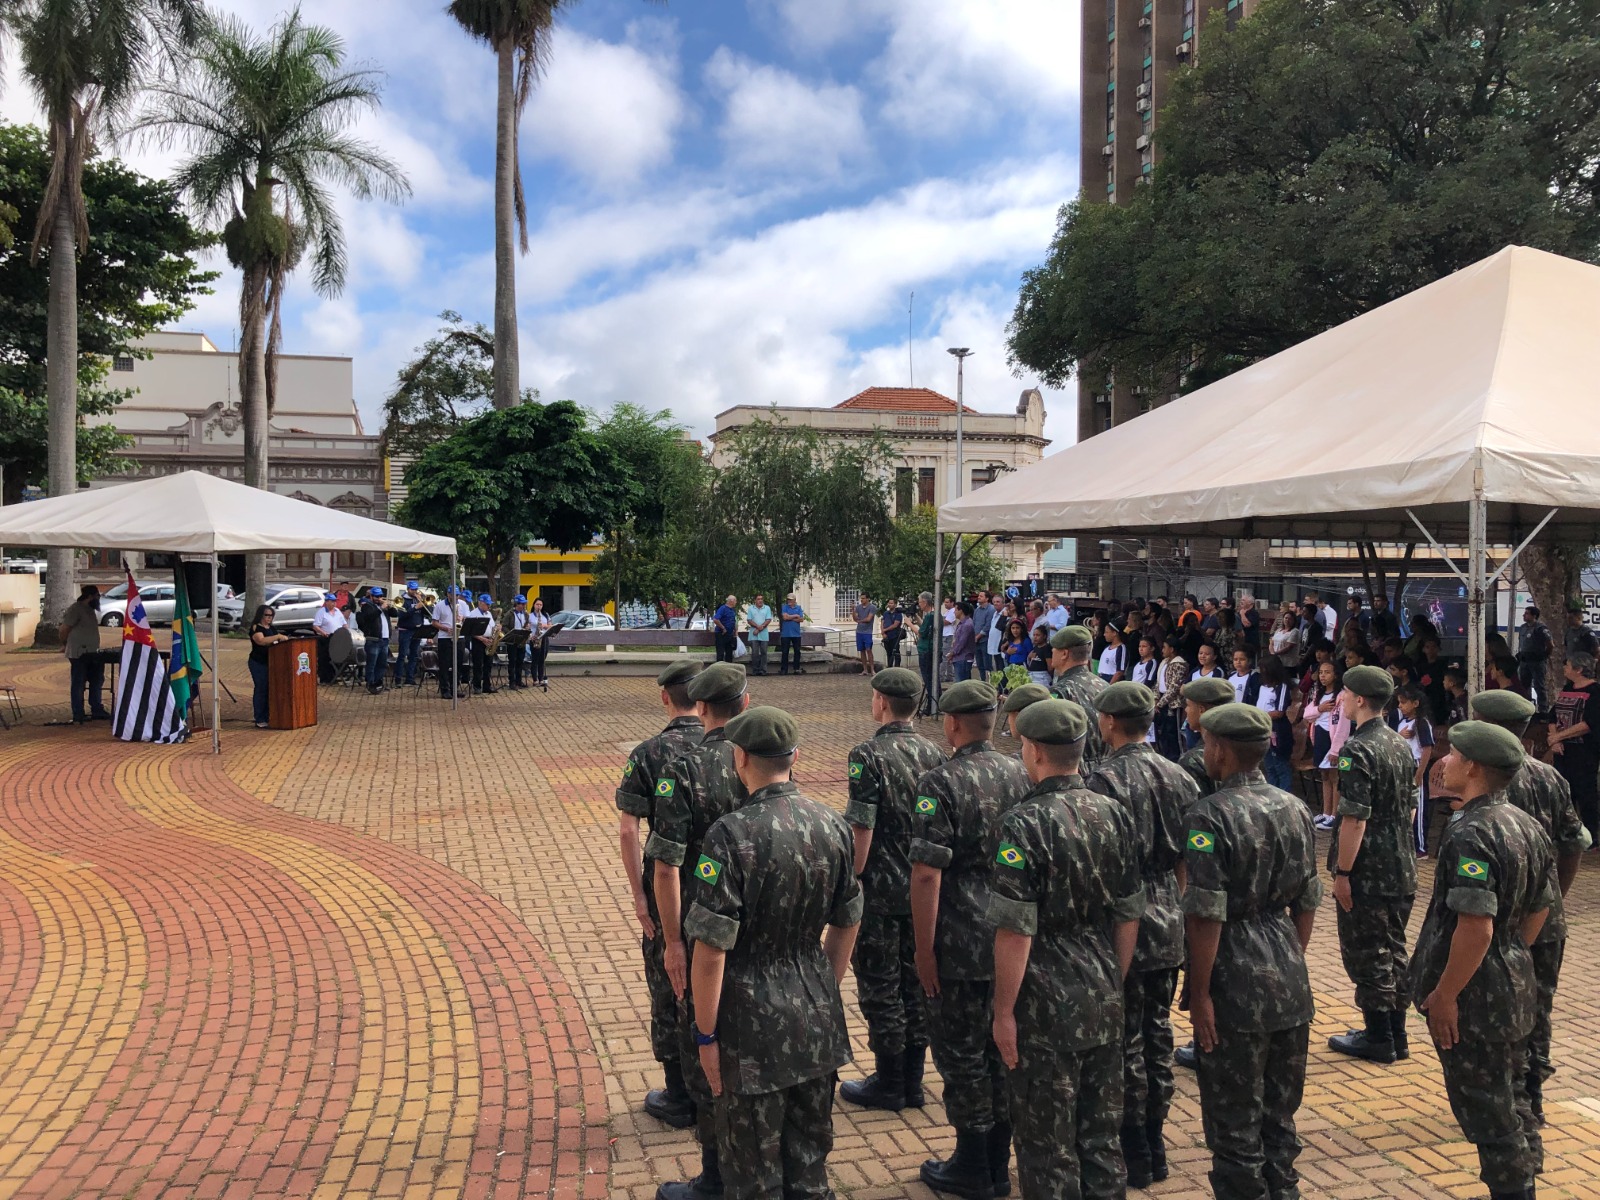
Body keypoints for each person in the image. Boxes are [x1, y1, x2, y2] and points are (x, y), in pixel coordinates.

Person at [683, 706, 862, 1200]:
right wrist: (823, 984)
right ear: (795, 757)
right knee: (810, 1165)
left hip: (750, 1025)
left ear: (739, 758)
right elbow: (848, 922)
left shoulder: (730, 835)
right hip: (817, 1012)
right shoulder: (834, 825)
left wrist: (705, 1033)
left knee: (752, 1172)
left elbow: (712, 951)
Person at [990, 699, 1143, 1200]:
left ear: (1032, 751)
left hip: (1043, 997)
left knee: (1047, 1145)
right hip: (1101, 984)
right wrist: (1113, 981)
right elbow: (1127, 912)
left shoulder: (1022, 824)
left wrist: (1004, 1011)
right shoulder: (1115, 813)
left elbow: (1016, 930)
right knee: (1101, 1137)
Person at [1408, 721, 1555, 1200]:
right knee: (1512, 1100)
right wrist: (1511, 954)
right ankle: (1523, 1182)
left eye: (1452, 755)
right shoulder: (1525, 823)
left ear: (1472, 767)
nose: (1443, 761)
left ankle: (1515, 1191)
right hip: (1512, 980)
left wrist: (1447, 994)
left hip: (1477, 994)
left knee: (1490, 1115)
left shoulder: (1471, 833)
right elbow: (1540, 907)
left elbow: (1475, 926)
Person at [1185, 703, 1321, 1200]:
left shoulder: (1208, 816)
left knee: (1234, 1122)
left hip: (1233, 976)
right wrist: (1291, 957)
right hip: (1287, 969)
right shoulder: (1295, 807)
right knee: (1279, 1115)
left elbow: (1205, 915)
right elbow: (1308, 897)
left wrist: (1198, 992)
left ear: (1219, 750)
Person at [908, 679, 1031, 1196]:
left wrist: (922, 949)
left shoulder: (940, 783)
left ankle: (972, 1165)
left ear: (953, 724)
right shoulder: (1023, 773)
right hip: (1012, 933)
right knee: (1001, 1050)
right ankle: (998, 1163)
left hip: (959, 937)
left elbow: (927, 875)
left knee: (960, 1055)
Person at [1086, 682, 1199, 1188]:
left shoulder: (1102, 780)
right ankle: (1154, 1146)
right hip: (1167, 915)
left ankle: (1133, 1146)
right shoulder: (1180, 775)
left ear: (1108, 722)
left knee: (1123, 1040)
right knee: (1156, 1033)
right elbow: (1184, 861)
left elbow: (1100, 865)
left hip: (1121, 919)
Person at [649, 663, 750, 1197]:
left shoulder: (683, 771)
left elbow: (665, 867)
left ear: (700, 707)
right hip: (756, 928)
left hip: (700, 926)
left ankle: (714, 1176)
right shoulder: (763, 758)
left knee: (703, 1044)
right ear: (746, 701)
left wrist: (669, 940)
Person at [1471, 689, 1588, 1130]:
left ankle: (1507, 1099)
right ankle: (1532, 1095)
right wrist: (1556, 893)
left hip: (1496, 920)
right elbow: (1575, 844)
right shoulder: (1550, 777)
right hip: (1547, 916)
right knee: (1538, 1006)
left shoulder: (1486, 778)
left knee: (1497, 1010)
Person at [839, 668, 948, 1114]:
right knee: (916, 984)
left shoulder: (867, 755)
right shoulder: (935, 753)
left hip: (881, 893)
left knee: (881, 987)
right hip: (925, 892)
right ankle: (913, 1080)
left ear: (881, 701)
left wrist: (851, 877)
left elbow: (861, 827)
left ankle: (890, 1081)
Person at [614, 662, 706, 1134]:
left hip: (668, 886)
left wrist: (639, 894)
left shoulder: (648, 753)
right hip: (720, 888)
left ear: (665, 698)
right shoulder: (731, 750)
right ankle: (716, 1084)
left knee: (669, 985)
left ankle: (679, 1094)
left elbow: (630, 830)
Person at [1327, 665, 1419, 1066]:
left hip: (1369, 868)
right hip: (1401, 863)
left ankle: (1379, 1037)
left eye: (1346, 693)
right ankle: (1395, 1035)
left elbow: (1354, 818)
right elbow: (1413, 806)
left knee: (1367, 952)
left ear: (1360, 699)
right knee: (1394, 948)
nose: (1341, 699)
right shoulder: (1399, 743)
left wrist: (1344, 872)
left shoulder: (1358, 749)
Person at [1547, 650, 1600, 845]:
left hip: (1584, 753)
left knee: (1585, 793)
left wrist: (1558, 736)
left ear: (1579, 669)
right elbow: (1553, 715)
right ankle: (1565, 833)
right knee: (1564, 793)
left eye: (1567, 665)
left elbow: (1589, 724)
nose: (1564, 668)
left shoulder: (1595, 692)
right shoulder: (1568, 687)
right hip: (1562, 752)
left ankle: (1591, 836)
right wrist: (1555, 739)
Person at [1046, 625, 1109, 769]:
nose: (1052, 651)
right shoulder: (1104, 685)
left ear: (1064, 654)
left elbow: (1052, 734)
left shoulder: (1059, 691)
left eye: (1054, 648)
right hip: (1107, 768)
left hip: (1076, 769)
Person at [1177, 677, 1236, 800]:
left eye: (1188, 705)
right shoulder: (1241, 747)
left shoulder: (1193, 761)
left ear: (1201, 710)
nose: (1186, 710)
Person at [1396, 686, 1438, 855]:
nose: (1400, 706)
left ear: (1415, 703)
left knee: (1419, 807)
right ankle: (1407, 841)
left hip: (1417, 766)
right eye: (1399, 702)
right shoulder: (1403, 722)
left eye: (1404, 703)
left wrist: (1420, 774)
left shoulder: (1422, 722)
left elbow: (1427, 749)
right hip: (1404, 766)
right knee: (1406, 805)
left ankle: (1420, 847)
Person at [60, 583, 110, 724]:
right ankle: (78, 713)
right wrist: (65, 644)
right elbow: (64, 629)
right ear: (90, 596)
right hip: (79, 653)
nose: (98, 599)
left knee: (96, 681)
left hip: (92, 652)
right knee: (78, 683)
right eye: (97, 596)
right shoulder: (76, 609)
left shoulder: (90, 610)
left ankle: (97, 709)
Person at [1305, 660, 1343, 830]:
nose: (1323, 676)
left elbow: (1343, 725)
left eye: (1327, 672)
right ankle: (1326, 813)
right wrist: (1319, 708)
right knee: (1325, 776)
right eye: (1321, 672)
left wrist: (1336, 749)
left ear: (1336, 675)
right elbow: (1308, 715)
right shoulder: (1318, 694)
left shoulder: (1342, 696)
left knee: (1336, 777)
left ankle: (1335, 815)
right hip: (1320, 737)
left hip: (1334, 741)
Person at [1256, 656, 1298, 792]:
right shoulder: (1262, 686)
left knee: (1281, 767)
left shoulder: (1282, 687)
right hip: (1264, 729)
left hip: (1278, 731)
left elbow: (1279, 712)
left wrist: (1259, 714)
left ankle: (1284, 795)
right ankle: (1272, 794)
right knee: (1270, 767)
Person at [247, 604, 290, 729]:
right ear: (260, 615)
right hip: (258, 662)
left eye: (271, 616)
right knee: (261, 688)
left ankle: (269, 715)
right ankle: (259, 718)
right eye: (266, 615)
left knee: (270, 689)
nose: (269, 618)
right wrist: (277, 637)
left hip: (271, 662)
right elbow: (261, 640)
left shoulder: (272, 628)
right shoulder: (256, 627)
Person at [1155, 636, 1189, 761]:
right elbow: (1158, 683)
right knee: (1163, 733)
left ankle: (1177, 758)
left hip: (1173, 704)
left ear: (1172, 649)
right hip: (1162, 702)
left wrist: (1161, 703)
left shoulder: (1179, 664)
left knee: (1173, 733)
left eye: (1164, 647)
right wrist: (1155, 699)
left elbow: (1174, 687)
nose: (1162, 650)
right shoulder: (1163, 662)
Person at [355, 588, 392, 694]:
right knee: (372, 663)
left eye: (380, 596)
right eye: (376, 597)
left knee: (382, 663)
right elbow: (369, 617)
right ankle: (370, 684)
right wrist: (381, 608)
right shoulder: (367, 606)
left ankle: (378, 683)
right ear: (371, 597)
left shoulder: (382, 607)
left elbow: (394, 614)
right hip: (373, 640)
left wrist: (389, 607)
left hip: (384, 640)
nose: (379, 598)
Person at [393, 582, 424, 686]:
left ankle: (410, 678)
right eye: (412, 590)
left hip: (417, 630)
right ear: (408, 589)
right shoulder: (402, 599)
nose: (414, 592)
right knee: (402, 655)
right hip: (405, 630)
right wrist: (415, 608)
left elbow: (429, 612)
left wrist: (423, 603)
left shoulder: (419, 598)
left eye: (416, 589)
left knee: (414, 655)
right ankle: (398, 679)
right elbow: (402, 615)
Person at [431, 588, 459, 699]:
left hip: (458, 637)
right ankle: (445, 690)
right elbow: (434, 622)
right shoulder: (440, 605)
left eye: (457, 595)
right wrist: (446, 629)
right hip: (445, 638)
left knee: (457, 665)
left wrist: (462, 619)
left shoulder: (461, 604)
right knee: (445, 665)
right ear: (448, 594)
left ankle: (454, 689)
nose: (456, 597)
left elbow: (466, 618)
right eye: (453, 595)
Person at [469, 594, 499, 694]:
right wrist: (482, 639)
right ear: (481, 603)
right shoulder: (473, 614)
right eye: (487, 604)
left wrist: (496, 629)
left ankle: (487, 686)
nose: (489, 606)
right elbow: (471, 631)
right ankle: (477, 686)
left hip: (488, 641)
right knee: (478, 665)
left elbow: (492, 627)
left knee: (488, 665)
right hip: (478, 641)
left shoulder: (488, 614)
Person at [312, 592, 344, 684]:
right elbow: (315, 626)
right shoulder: (321, 612)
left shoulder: (338, 611)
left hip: (337, 637)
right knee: (325, 658)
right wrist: (323, 632)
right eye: (332, 601)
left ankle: (334, 676)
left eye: (335, 601)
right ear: (327, 602)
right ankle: (324, 678)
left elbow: (344, 623)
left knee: (335, 657)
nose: (334, 603)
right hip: (326, 637)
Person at [915, 592, 937, 715]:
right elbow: (924, 626)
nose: (919, 604)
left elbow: (922, 633)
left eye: (920, 602)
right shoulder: (932, 615)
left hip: (926, 650)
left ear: (925, 602)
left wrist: (908, 623)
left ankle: (931, 705)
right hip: (930, 650)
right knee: (932, 678)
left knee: (928, 678)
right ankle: (933, 704)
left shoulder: (931, 616)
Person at [505, 595, 532, 690]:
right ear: (517, 604)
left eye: (524, 603)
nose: (524, 605)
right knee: (512, 661)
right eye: (522, 604)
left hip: (521, 641)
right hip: (512, 641)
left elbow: (526, 624)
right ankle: (512, 682)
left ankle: (518, 681)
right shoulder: (510, 614)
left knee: (520, 662)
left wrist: (527, 628)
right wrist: (511, 633)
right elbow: (504, 626)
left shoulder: (525, 614)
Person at [947, 601, 977, 683]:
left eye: (956, 610)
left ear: (961, 611)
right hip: (959, 658)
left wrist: (952, 653)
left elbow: (961, 643)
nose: (954, 612)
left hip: (964, 658)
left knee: (962, 683)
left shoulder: (967, 624)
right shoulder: (961, 624)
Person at [778, 593, 807, 675]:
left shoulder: (799, 608)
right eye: (788, 599)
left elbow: (801, 619)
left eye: (791, 599)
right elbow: (785, 617)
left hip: (796, 634)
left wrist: (790, 617)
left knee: (797, 651)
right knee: (785, 652)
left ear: (794, 600)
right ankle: (784, 669)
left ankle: (796, 668)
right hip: (786, 634)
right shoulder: (784, 607)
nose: (789, 601)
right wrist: (795, 616)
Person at [1270, 609, 1303, 673]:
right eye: (1286, 618)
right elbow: (1271, 643)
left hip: (1288, 664)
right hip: (1277, 662)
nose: (1287, 620)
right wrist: (1272, 653)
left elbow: (1289, 647)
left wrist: (1275, 653)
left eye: (1290, 619)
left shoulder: (1295, 631)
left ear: (1293, 621)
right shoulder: (1278, 630)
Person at [855, 592, 880, 675]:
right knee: (862, 650)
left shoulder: (872, 607)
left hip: (867, 632)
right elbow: (855, 618)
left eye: (863, 598)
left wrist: (860, 620)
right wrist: (852, 611)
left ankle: (872, 669)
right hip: (859, 631)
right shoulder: (858, 607)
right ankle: (865, 669)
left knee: (868, 649)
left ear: (868, 598)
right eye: (861, 598)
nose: (862, 600)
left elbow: (869, 619)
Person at [529, 597, 552, 685]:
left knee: (542, 659)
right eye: (537, 604)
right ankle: (535, 679)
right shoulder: (530, 616)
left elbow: (550, 626)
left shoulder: (545, 614)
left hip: (544, 638)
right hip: (535, 639)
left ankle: (541, 678)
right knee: (535, 659)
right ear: (534, 605)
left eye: (541, 605)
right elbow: (528, 627)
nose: (539, 606)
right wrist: (531, 636)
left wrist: (544, 625)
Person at [973, 591, 996, 678]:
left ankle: (989, 683)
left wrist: (978, 636)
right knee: (979, 664)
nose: (979, 597)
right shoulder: (977, 610)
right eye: (979, 596)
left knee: (987, 664)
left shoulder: (991, 609)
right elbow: (974, 623)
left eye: (981, 596)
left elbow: (988, 625)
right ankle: (982, 681)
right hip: (976, 641)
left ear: (987, 598)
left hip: (985, 640)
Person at [712, 595, 739, 664]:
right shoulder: (722, 608)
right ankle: (719, 670)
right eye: (735, 600)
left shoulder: (732, 610)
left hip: (730, 634)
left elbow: (733, 621)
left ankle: (728, 670)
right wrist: (723, 628)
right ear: (731, 601)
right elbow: (715, 619)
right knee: (720, 653)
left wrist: (735, 631)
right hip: (721, 634)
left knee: (729, 653)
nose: (736, 602)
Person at [881, 598, 905, 668]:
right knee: (889, 653)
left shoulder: (898, 614)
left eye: (891, 603)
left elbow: (895, 625)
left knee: (896, 653)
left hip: (894, 636)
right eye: (889, 603)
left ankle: (897, 667)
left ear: (895, 604)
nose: (890, 604)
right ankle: (889, 666)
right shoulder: (886, 613)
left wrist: (885, 630)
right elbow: (882, 623)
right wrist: (883, 632)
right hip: (886, 637)